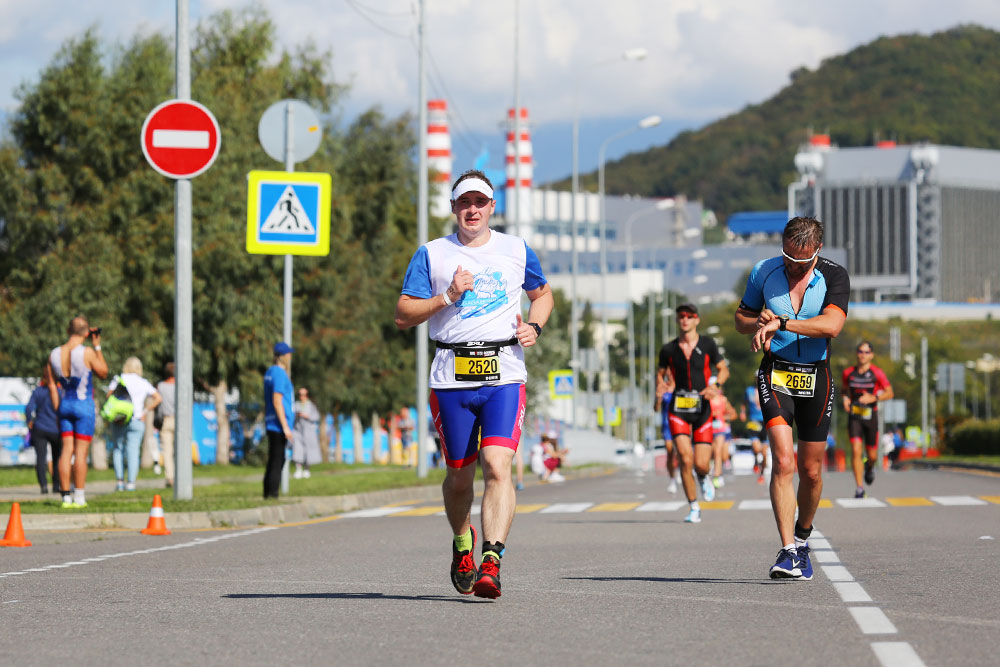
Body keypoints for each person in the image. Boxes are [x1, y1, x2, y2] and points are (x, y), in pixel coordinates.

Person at [395, 169, 553, 599]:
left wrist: (534, 327)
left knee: (498, 466)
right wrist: (447, 297)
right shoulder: (432, 253)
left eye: (480, 202)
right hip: (451, 376)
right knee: (459, 476)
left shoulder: (516, 250)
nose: (472, 210)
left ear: (492, 207)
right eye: (464, 202)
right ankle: (461, 541)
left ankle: (492, 560)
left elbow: (543, 294)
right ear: (453, 208)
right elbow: (404, 312)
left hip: (504, 371)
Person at [735, 216, 849, 580]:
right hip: (777, 373)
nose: (792, 266)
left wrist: (781, 322)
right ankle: (787, 552)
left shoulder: (834, 276)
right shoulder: (763, 272)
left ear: (817, 251)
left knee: (811, 472)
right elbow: (741, 317)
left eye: (801, 262)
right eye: (786, 257)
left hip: (817, 376)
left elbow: (831, 325)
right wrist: (757, 322)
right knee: (783, 462)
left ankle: (803, 536)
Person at [658, 303, 729, 524]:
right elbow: (660, 375)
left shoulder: (708, 344)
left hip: (702, 409)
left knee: (700, 463)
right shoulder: (668, 349)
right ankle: (693, 506)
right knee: (684, 459)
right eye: (681, 317)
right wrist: (661, 387)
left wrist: (715, 386)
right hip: (678, 409)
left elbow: (723, 369)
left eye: (689, 316)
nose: (685, 320)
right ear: (677, 320)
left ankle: (703, 476)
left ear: (697, 320)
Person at [50, 316, 109, 508]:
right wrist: (97, 346)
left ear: (68, 331)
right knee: (81, 453)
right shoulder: (87, 352)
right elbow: (103, 372)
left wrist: (58, 407)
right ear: (86, 333)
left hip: (65, 403)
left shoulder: (54, 354)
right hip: (83, 405)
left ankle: (65, 496)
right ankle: (80, 496)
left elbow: (51, 383)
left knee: (66, 451)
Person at [842, 341, 894, 497]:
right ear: (856, 354)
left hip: (871, 416)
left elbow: (889, 393)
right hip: (855, 416)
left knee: (872, 456)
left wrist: (874, 397)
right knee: (856, 450)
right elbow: (844, 391)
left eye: (866, 352)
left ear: (871, 355)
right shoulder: (848, 373)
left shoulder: (877, 373)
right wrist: (845, 399)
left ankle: (869, 467)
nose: (863, 355)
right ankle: (859, 488)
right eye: (860, 351)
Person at [106, 357, 161, 492]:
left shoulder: (118, 379)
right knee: (133, 451)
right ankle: (131, 483)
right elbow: (158, 398)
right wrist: (145, 411)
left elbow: (109, 396)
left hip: (119, 418)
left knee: (118, 449)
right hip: (137, 419)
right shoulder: (143, 382)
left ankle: (119, 482)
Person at [263, 342, 295, 499]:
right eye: (288, 354)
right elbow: (277, 400)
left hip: (271, 421)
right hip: (278, 424)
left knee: (273, 460)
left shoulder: (270, 371)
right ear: (282, 357)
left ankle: (267, 493)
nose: (290, 356)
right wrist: (286, 427)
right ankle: (272, 494)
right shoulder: (280, 374)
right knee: (278, 460)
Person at [25, 363, 62, 494]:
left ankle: (43, 486)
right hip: (56, 429)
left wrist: (29, 421)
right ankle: (56, 486)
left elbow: (29, 408)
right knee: (57, 458)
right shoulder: (59, 391)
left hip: (39, 428)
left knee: (41, 458)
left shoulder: (37, 391)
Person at [654, 372, 680, 493]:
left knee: (681, 452)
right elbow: (655, 408)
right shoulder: (662, 387)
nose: (670, 374)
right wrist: (659, 397)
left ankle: (681, 471)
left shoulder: (681, 386)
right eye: (668, 372)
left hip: (680, 424)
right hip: (667, 426)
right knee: (670, 452)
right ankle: (672, 479)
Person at [709, 382, 736, 488]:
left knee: (718, 452)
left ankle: (717, 476)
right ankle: (709, 472)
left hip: (720, 429)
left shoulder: (723, 399)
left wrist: (724, 418)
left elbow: (733, 413)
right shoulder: (706, 399)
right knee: (710, 453)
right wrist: (711, 415)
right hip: (709, 429)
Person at [741, 384, 769, 484]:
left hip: (766, 422)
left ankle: (762, 473)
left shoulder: (768, 387)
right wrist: (743, 412)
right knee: (756, 448)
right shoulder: (749, 390)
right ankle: (756, 460)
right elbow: (744, 402)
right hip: (754, 421)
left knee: (764, 453)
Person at [292, 387, 321, 478]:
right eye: (300, 395)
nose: (302, 396)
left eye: (304, 395)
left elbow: (316, 417)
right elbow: (291, 416)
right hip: (298, 431)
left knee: (308, 451)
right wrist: (297, 415)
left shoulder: (311, 405)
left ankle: (307, 469)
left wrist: (306, 416)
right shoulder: (296, 405)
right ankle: (298, 470)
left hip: (309, 432)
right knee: (297, 450)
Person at [156, 362, 176, 488]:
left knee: (167, 451)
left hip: (165, 420)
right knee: (180, 450)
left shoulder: (161, 386)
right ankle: (181, 475)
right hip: (180, 420)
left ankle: (170, 477)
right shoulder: (181, 386)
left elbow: (158, 404)